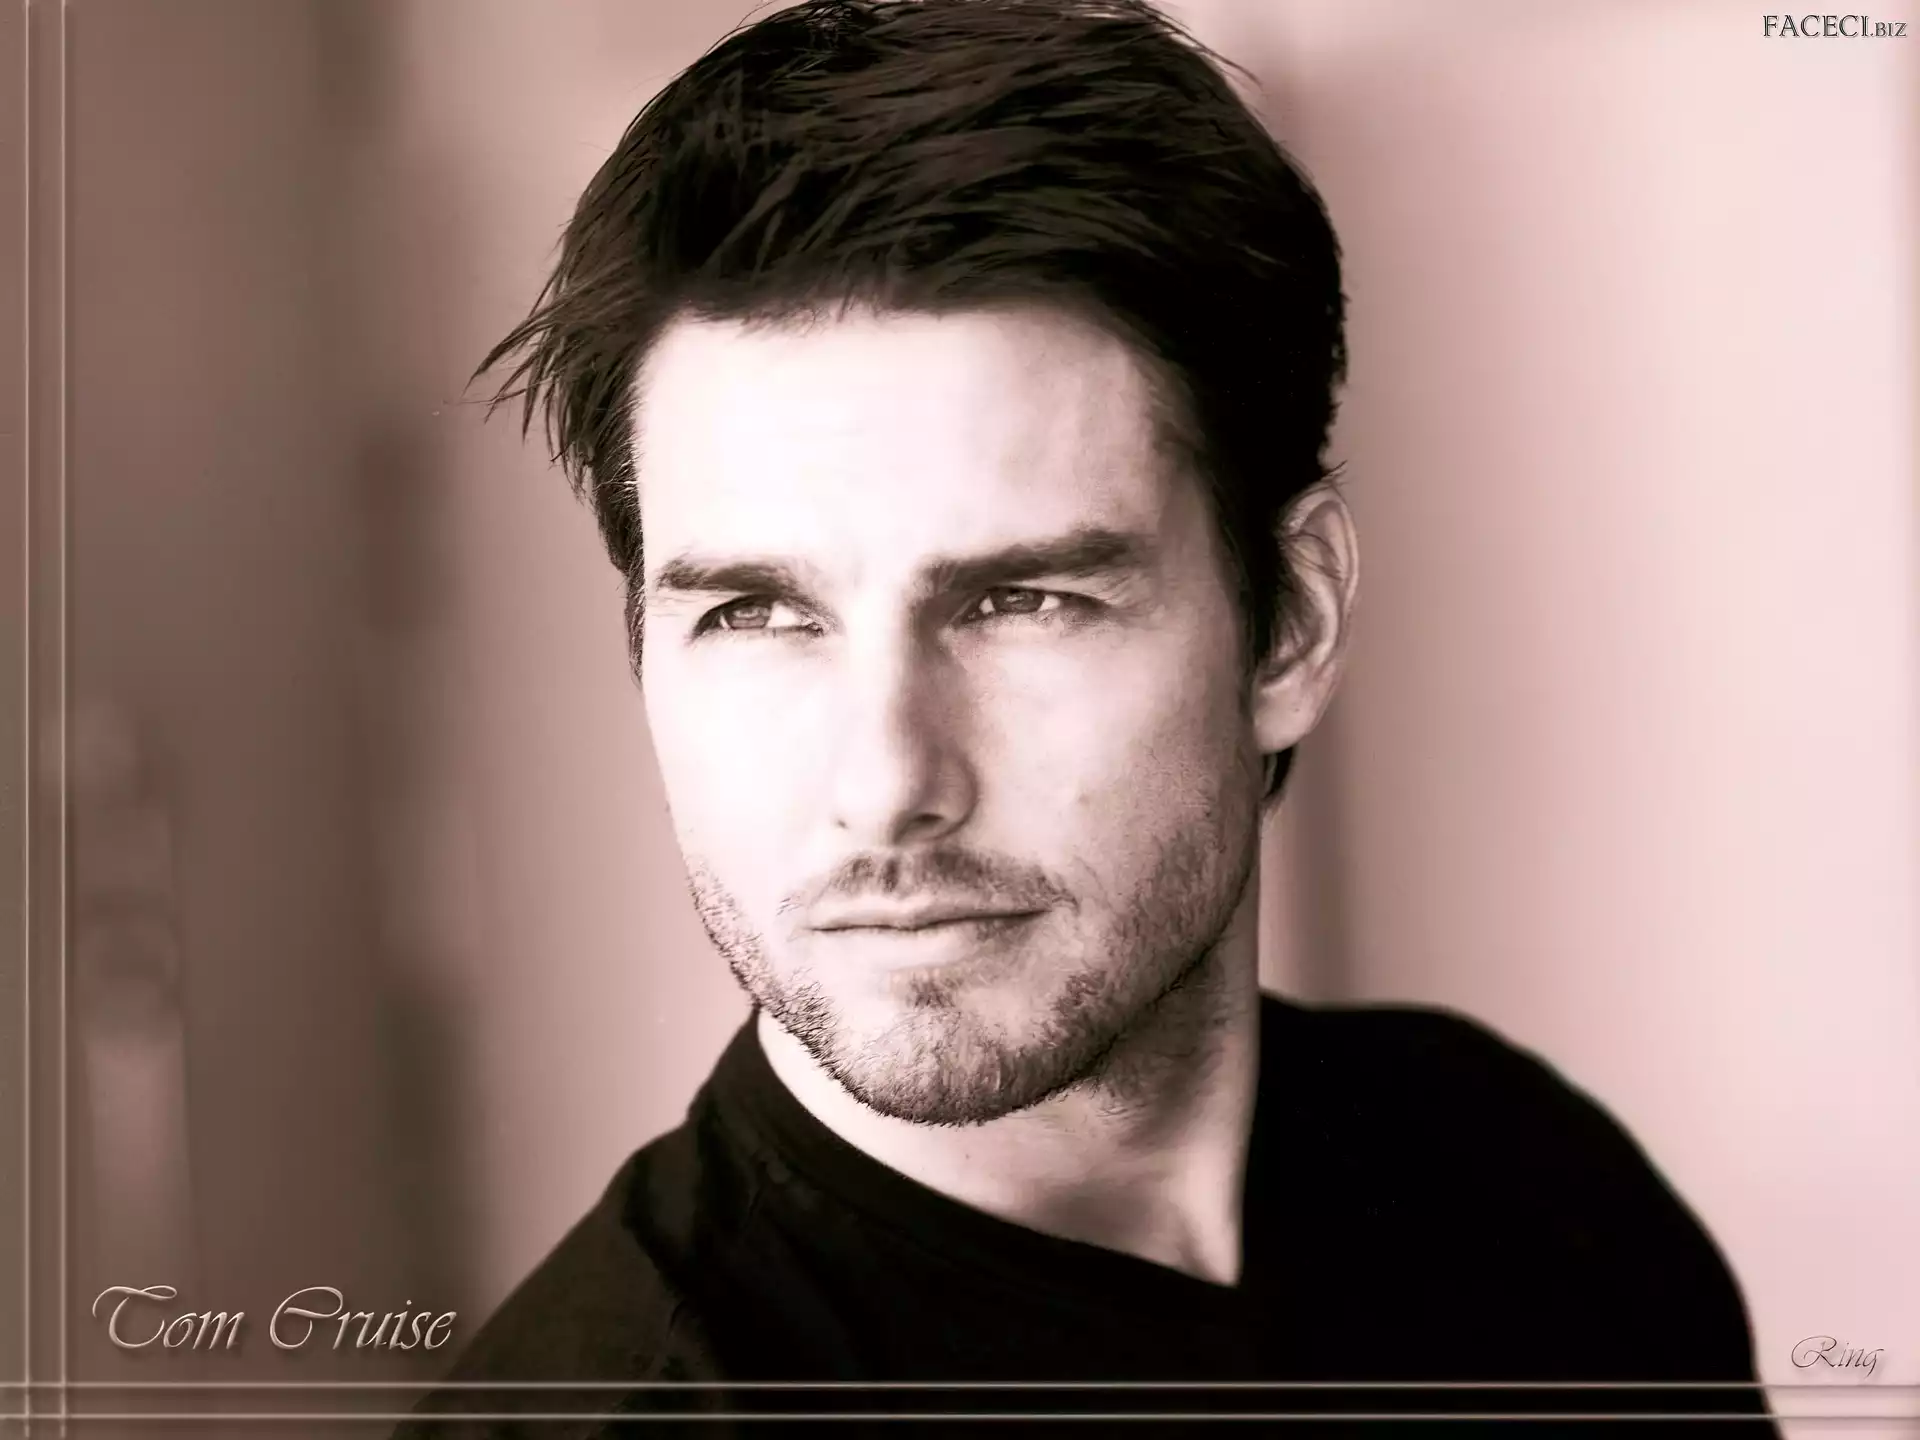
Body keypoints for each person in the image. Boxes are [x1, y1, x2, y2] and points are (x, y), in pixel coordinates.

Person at [400, 0, 1778, 1431]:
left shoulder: (1535, 1197)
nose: (885, 783)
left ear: (1291, 622)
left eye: (1021, 600)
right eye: (757, 615)